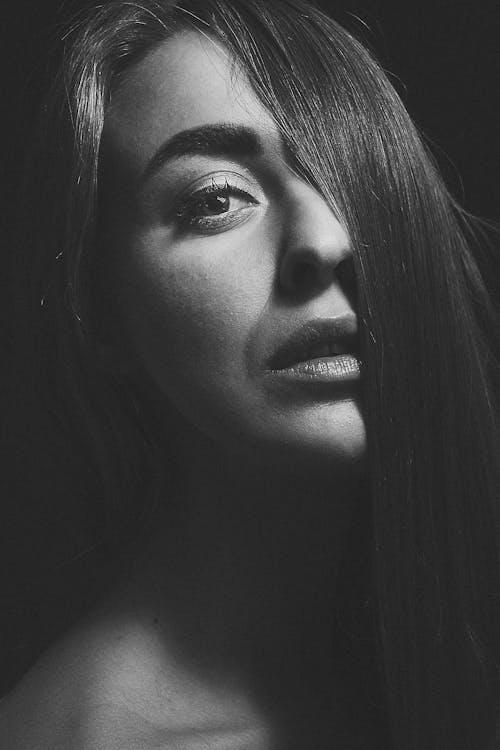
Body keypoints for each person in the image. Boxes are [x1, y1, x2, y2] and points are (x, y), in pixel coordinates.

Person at [1, 0, 500, 748]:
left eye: (356, 177)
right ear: (98, 314)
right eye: (216, 199)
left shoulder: (428, 664)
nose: (327, 240)